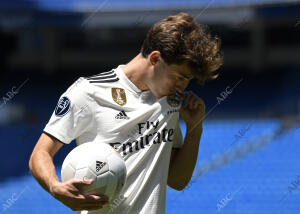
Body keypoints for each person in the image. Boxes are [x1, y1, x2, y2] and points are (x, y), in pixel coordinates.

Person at [29, 12, 222, 214]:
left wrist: (194, 129)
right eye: (180, 77)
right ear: (155, 58)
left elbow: (177, 181)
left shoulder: (170, 103)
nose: (182, 87)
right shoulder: (88, 92)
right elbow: (40, 154)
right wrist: (54, 185)